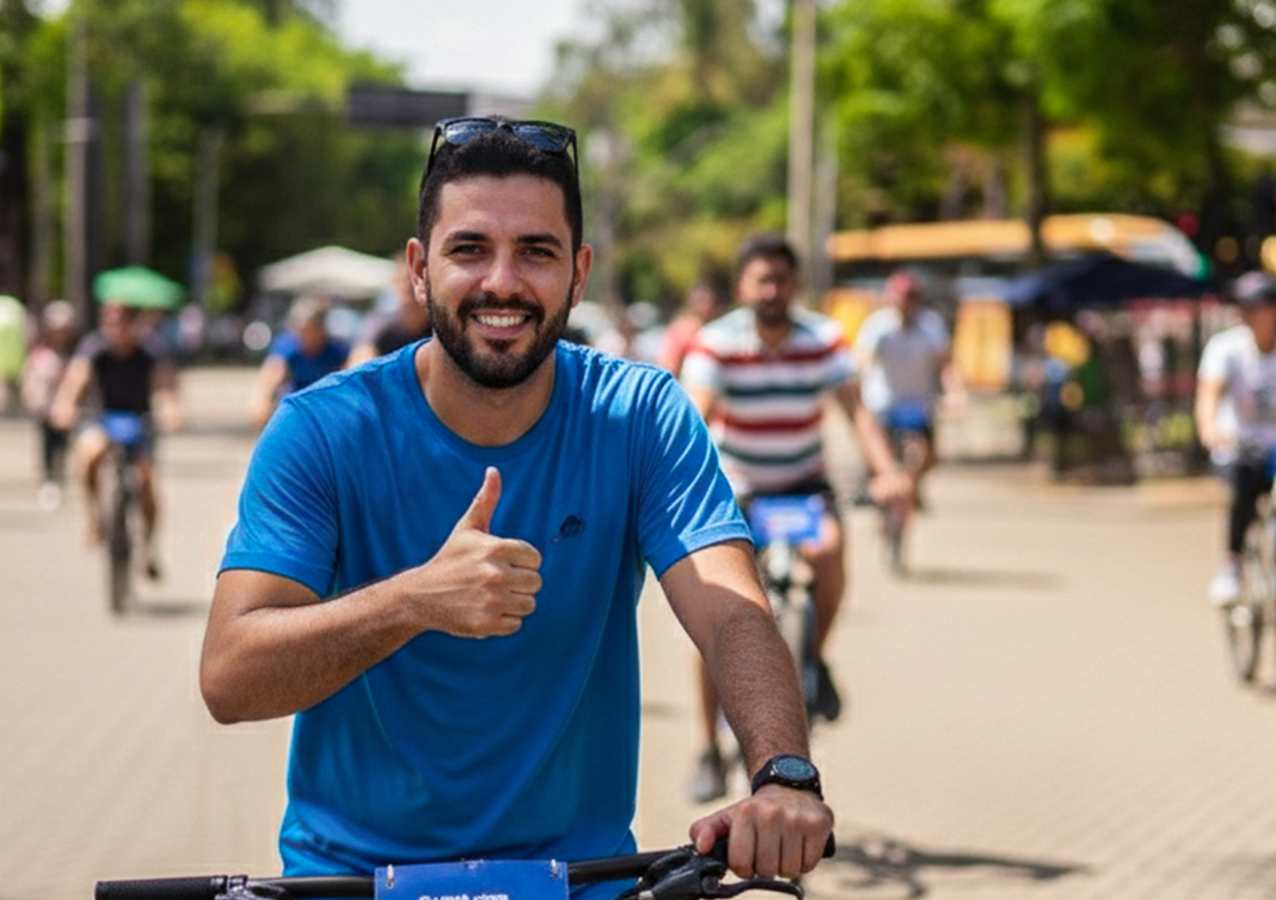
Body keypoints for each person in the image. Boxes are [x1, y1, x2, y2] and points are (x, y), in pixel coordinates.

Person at [201, 116, 834, 889]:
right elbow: (230, 675)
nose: (502, 281)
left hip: (580, 877)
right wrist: (414, 601)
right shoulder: (324, 429)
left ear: (579, 272)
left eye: (536, 251)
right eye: (470, 249)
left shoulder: (639, 416)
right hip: (355, 880)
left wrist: (783, 774)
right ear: (419, 269)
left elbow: (731, 608)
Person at [681, 233, 912, 802]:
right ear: (742, 286)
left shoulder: (824, 339)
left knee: (830, 554)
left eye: (781, 280)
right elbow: (696, 419)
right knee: (716, 610)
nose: (771, 291)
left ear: (796, 287)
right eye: (761, 280)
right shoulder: (716, 344)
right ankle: (708, 746)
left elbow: (857, 413)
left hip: (803, 486)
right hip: (739, 490)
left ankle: (815, 658)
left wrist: (888, 473)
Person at [50, 301, 183, 578]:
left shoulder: (150, 349)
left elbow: (166, 385)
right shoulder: (94, 348)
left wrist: (171, 409)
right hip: (103, 418)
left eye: (121, 323)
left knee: (146, 482)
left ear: (133, 324)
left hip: (140, 421)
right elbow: (75, 380)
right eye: (109, 323)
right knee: (88, 456)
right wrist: (65, 405)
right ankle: (94, 517)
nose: (115, 329)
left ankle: (148, 547)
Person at [852, 269, 967, 502]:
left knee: (929, 456)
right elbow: (862, 359)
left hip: (917, 403)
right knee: (874, 448)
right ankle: (872, 485)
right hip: (883, 401)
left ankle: (909, 487)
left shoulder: (931, 326)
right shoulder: (878, 326)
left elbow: (945, 364)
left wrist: (955, 392)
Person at [1196, 270, 1276, 605]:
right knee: (1243, 493)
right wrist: (1210, 429)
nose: (1247, 315)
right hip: (1240, 443)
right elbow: (1208, 394)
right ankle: (1232, 563)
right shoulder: (1226, 347)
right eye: (1243, 307)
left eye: (1255, 307)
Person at [247, 295, 349, 429]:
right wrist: (261, 400)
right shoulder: (288, 346)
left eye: (308, 330)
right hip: (295, 408)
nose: (302, 335)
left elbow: (347, 378)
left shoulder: (335, 351)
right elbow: (272, 374)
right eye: (299, 330)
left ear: (321, 329)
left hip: (323, 408)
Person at [21, 300, 79, 509]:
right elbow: (28, 378)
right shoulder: (39, 353)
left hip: (65, 408)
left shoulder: (74, 354)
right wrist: (29, 397)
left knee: (62, 446)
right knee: (45, 445)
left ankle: (60, 480)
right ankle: (47, 481)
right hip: (43, 407)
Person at [346, 255, 430, 367]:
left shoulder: (440, 326)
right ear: (394, 283)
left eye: (417, 279)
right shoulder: (381, 324)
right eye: (405, 280)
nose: (411, 286)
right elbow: (360, 363)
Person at [657, 279, 726, 375]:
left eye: (709, 301)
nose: (706, 305)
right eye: (701, 301)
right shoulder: (683, 330)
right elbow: (669, 365)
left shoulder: (721, 328)